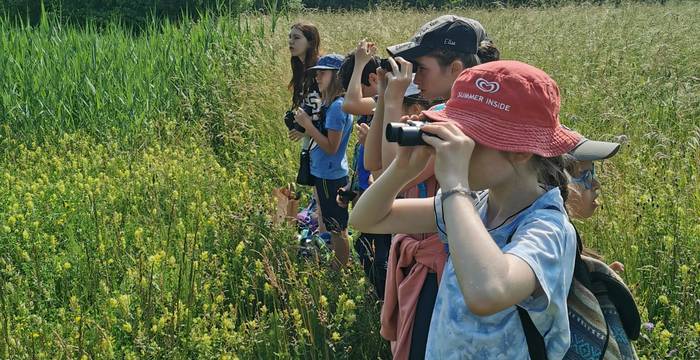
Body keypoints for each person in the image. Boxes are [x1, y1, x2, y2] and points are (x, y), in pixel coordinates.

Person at [350, 60, 583, 359]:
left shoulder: (547, 228)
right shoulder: (477, 205)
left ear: (521, 150)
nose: (453, 148)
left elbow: (488, 292)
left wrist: (455, 185)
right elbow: (366, 219)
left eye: (468, 139)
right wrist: (401, 171)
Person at [362, 16, 499, 360]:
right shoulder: (459, 114)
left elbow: (393, 175)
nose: (415, 77)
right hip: (449, 258)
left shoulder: (450, 123)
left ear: (455, 68)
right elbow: (374, 163)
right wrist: (385, 98)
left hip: (441, 268)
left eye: (421, 68)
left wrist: (393, 101)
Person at [294, 54, 353, 270]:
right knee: (328, 220)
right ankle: (333, 260)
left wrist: (307, 125)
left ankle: (339, 269)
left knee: (337, 228)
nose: (317, 77)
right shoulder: (330, 103)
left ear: (337, 76)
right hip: (325, 172)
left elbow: (331, 147)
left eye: (323, 72)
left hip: (331, 175)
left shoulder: (338, 107)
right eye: (317, 72)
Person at [287, 22, 326, 233]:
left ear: (310, 41)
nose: (291, 42)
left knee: (320, 180)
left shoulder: (318, 69)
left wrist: (304, 128)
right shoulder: (300, 67)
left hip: (320, 133)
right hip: (309, 131)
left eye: (296, 38)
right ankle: (317, 225)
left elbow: (322, 105)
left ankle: (324, 233)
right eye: (290, 37)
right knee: (313, 179)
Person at [567, 137, 625, 272]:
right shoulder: (551, 245)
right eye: (585, 175)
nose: (596, 184)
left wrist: (593, 282)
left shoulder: (567, 242)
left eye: (593, 172)